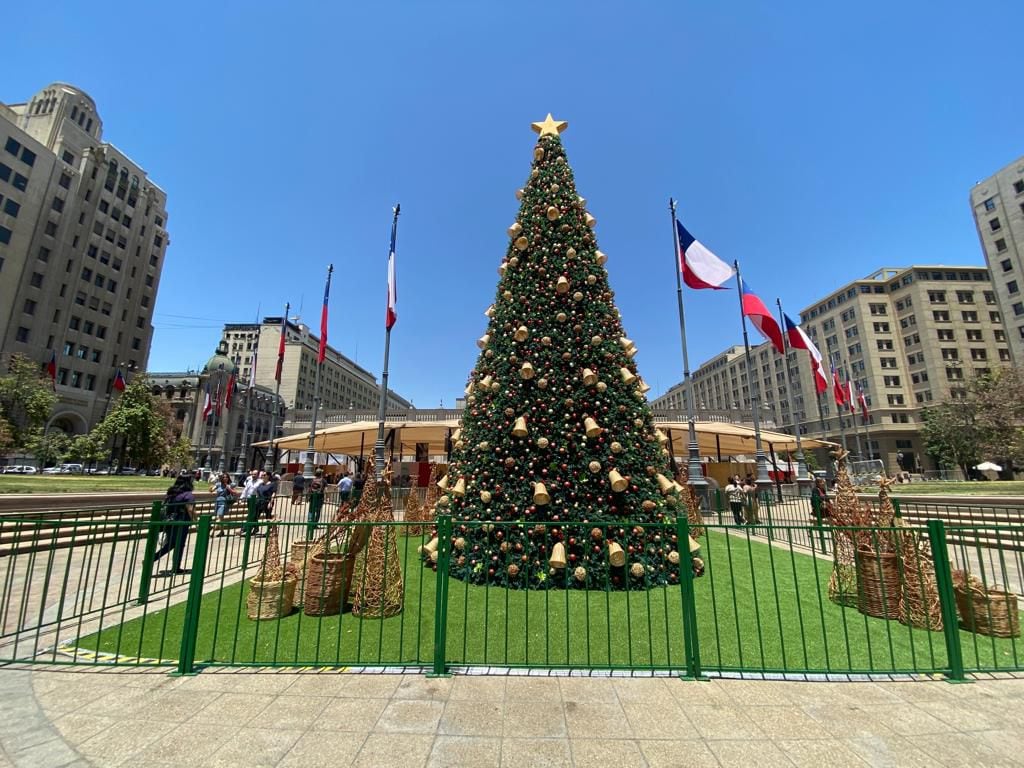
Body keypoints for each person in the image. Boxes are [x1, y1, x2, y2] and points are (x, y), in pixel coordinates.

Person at [153, 474, 196, 576]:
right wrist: (196, 521)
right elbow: (191, 509)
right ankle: (176, 567)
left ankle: (152, 558)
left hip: (170, 521)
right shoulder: (188, 495)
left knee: (171, 543)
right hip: (182, 522)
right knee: (179, 544)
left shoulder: (172, 492)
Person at [212, 472, 238, 537]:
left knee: (219, 517)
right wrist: (211, 488)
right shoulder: (218, 484)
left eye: (226, 477)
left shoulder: (231, 484)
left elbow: (235, 492)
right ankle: (222, 532)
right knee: (221, 519)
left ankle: (211, 532)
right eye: (223, 477)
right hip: (218, 501)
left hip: (224, 502)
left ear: (228, 478)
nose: (225, 478)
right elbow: (211, 490)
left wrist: (228, 488)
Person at [306, 469, 326, 540]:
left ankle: (310, 522)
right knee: (318, 511)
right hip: (319, 498)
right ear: (321, 474)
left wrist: (307, 497)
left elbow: (309, 489)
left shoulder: (312, 480)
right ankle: (315, 524)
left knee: (311, 510)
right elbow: (325, 489)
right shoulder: (323, 480)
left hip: (312, 497)